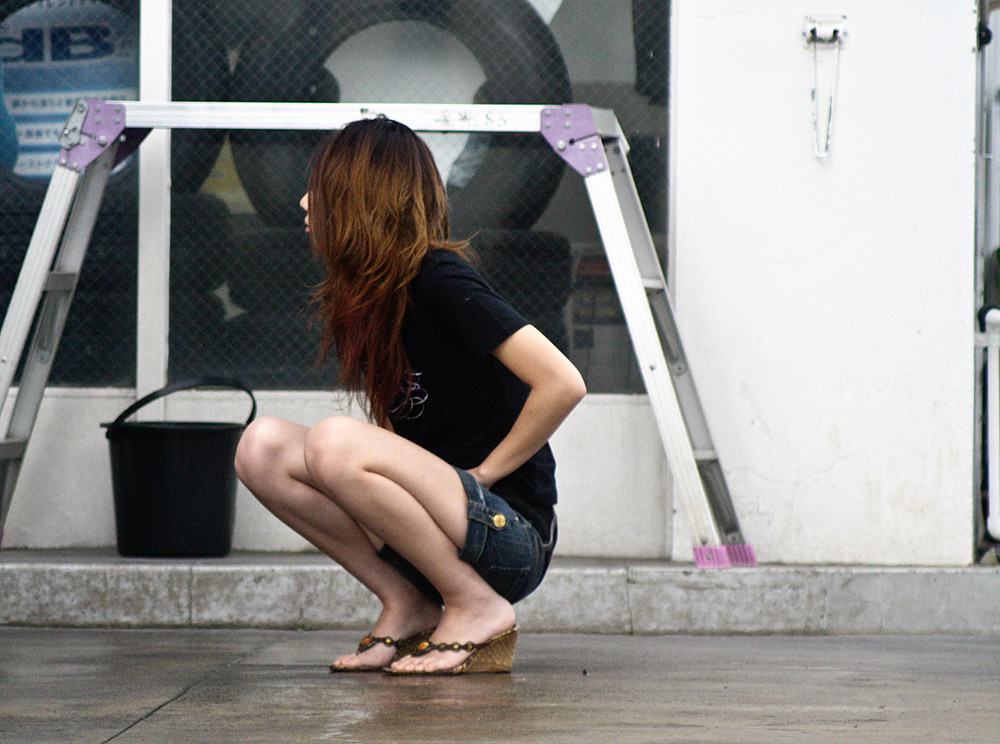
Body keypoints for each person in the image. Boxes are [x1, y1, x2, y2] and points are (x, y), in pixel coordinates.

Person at [234, 117, 586, 675]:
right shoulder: (366, 295)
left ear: (359, 198)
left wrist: (484, 476)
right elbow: (399, 432)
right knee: (261, 447)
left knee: (333, 440)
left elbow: (563, 382)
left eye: (319, 188)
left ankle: (475, 604)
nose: (304, 202)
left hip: (508, 537)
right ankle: (408, 601)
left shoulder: (438, 277)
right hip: (437, 529)